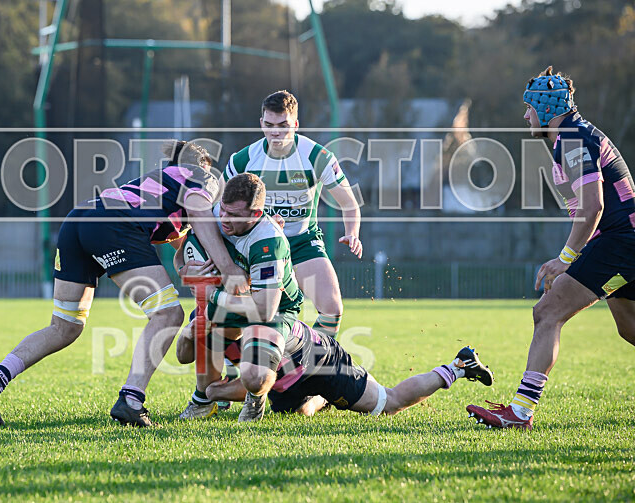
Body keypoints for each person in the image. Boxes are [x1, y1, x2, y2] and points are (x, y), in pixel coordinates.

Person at [0, 141, 248, 428]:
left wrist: (186, 269)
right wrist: (228, 268)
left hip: (79, 219)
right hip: (113, 225)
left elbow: (181, 251)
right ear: (202, 165)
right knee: (168, 314)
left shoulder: (159, 183)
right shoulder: (203, 177)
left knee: (65, 326)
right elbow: (200, 211)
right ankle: (131, 399)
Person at [467, 66, 635, 430]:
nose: (525, 114)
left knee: (547, 312)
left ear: (546, 108)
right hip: (624, 241)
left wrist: (565, 260)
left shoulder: (571, 137)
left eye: (529, 107)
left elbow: (593, 208)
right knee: (630, 328)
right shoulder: (574, 135)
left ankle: (520, 412)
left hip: (621, 241)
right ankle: (520, 413)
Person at [223, 90, 362, 339]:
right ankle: (234, 370)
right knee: (238, 316)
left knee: (332, 310)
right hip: (255, 245)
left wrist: (352, 233)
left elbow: (349, 204)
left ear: (296, 124)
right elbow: (218, 208)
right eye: (269, 125)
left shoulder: (317, 157)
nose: (275, 132)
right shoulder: (243, 159)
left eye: (283, 125)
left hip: (301, 240)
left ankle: (309, 368)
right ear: (261, 123)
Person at [175, 314, 495, 420]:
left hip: (321, 361)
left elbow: (255, 382)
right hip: (289, 376)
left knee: (388, 404)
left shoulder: (261, 329)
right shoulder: (210, 317)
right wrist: (189, 334)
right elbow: (182, 356)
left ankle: (459, 366)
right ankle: (321, 400)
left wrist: (215, 391)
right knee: (294, 414)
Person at [175, 173, 306, 421]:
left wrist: (212, 295)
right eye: (223, 209)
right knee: (197, 334)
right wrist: (186, 272)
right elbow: (179, 258)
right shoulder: (213, 214)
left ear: (255, 215)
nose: (223, 218)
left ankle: (256, 396)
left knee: (255, 378)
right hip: (230, 297)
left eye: (234, 215)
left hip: (275, 309)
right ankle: (203, 400)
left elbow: (264, 310)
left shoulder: (268, 241)